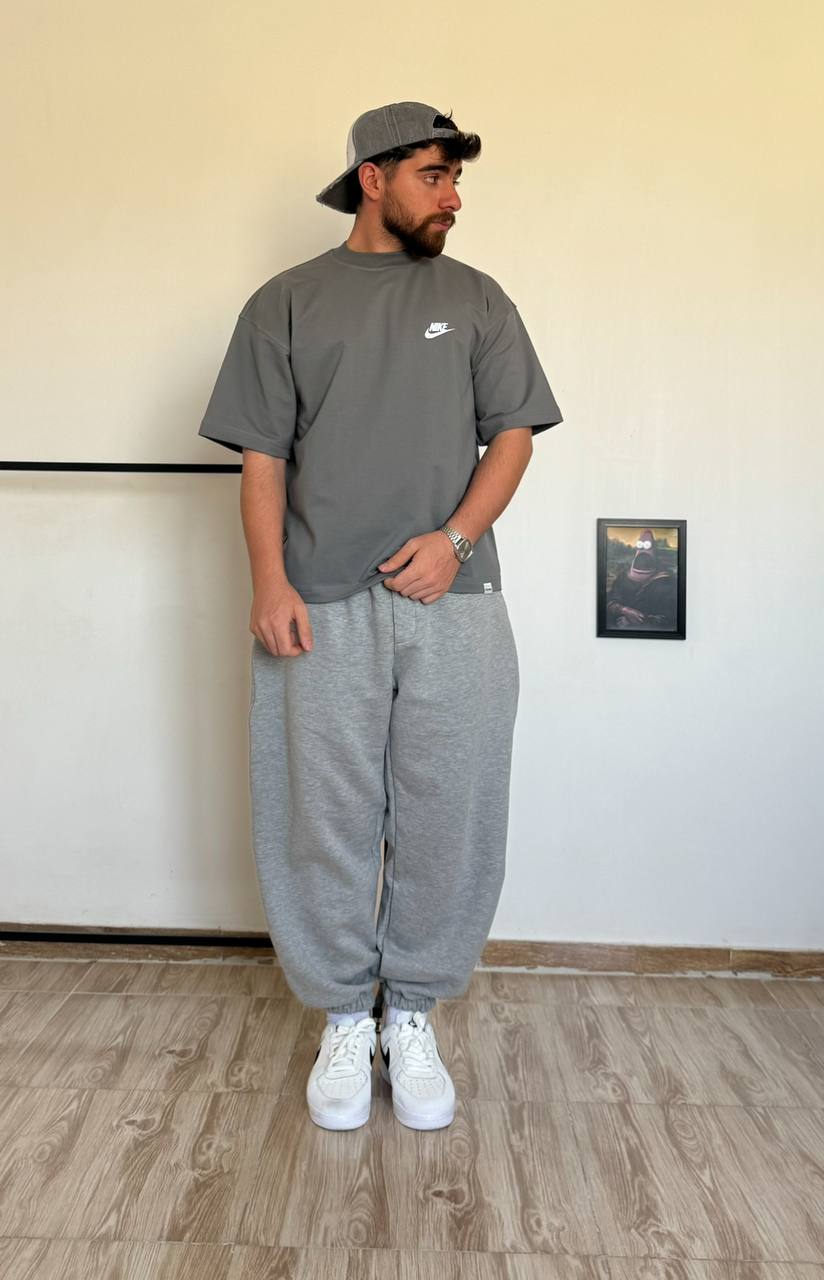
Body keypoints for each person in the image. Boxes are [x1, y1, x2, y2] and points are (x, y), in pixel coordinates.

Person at [197, 101, 563, 1132]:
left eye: (455, 179)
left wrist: (454, 541)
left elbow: (513, 436)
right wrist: (268, 583)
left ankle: (411, 1012)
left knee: (454, 808)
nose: (453, 198)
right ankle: (341, 1018)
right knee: (319, 815)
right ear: (373, 177)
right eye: (434, 176)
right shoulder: (285, 303)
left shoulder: (477, 298)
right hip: (318, 600)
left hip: (454, 595)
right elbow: (262, 458)